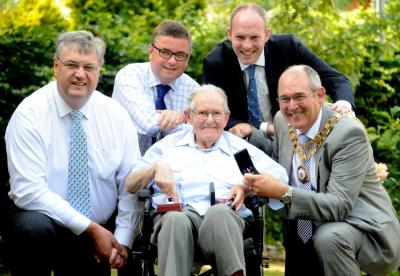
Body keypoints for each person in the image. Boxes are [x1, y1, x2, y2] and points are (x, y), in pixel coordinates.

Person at [4, 31, 142, 276]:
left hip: (97, 227)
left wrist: (121, 240)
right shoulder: (30, 114)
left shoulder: (116, 116)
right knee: (32, 229)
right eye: (71, 65)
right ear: (56, 66)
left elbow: (130, 183)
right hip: (45, 223)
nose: (80, 74)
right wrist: (90, 228)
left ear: (99, 70)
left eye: (89, 67)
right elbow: (28, 190)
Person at [244, 65, 400, 276]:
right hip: (303, 227)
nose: (292, 106)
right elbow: (278, 167)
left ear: (320, 95)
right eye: (284, 99)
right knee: (296, 232)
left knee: (329, 237)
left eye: (299, 97)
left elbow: (339, 206)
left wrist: (282, 192)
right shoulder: (282, 121)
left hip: (362, 229)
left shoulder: (348, 133)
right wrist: (247, 184)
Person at [124, 84, 288, 276]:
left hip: (224, 223)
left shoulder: (239, 151)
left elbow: (280, 178)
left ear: (226, 117)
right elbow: (130, 184)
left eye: (217, 113)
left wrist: (246, 186)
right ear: (188, 116)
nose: (210, 120)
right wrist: (155, 168)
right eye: (202, 113)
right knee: (176, 220)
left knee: (220, 214)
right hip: (178, 220)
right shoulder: (168, 147)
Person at [203, 3, 355, 143]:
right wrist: (264, 128)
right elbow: (211, 111)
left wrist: (343, 105)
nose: (247, 45)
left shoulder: (287, 47)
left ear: (267, 35)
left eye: (255, 37)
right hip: (244, 142)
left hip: (295, 138)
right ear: (229, 34)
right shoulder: (216, 62)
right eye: (240, 37)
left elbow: (337, 80)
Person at [113, 19, 199, 155]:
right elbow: (149, 124)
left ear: (188, 59)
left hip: (174, 170)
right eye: (165, 52)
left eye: (180, 55)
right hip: (126, 168)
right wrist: (186, 121)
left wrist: (181, 119)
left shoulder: (194, 90)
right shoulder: (130, 76)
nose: (172, 61)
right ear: (151, 51)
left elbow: (205, 133)